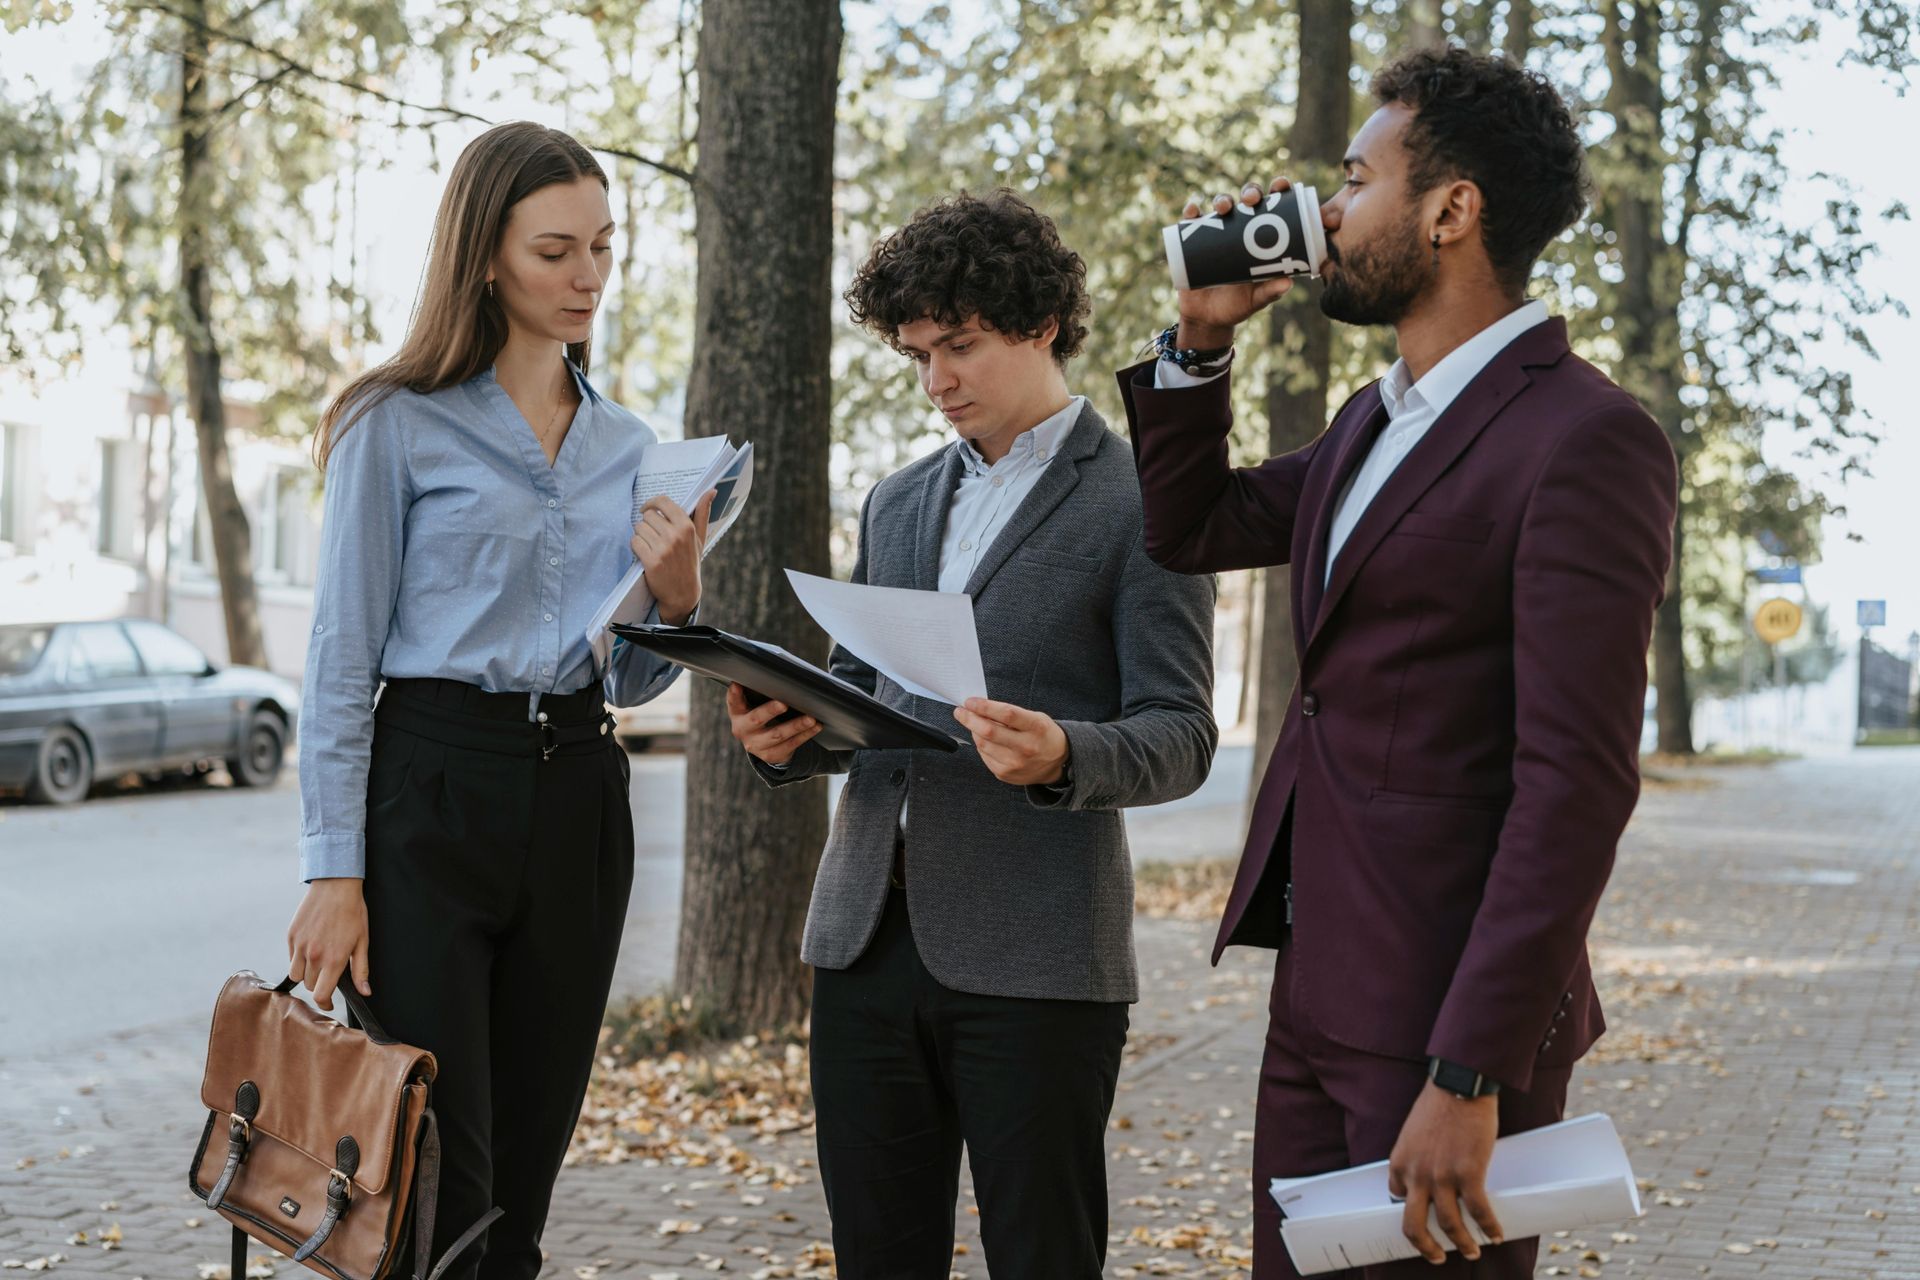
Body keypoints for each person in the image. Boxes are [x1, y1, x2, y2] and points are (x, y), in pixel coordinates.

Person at [1119, 46, 1678, 1279]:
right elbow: (1192, 524)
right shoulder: (1377, 419)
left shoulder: (1586, 440)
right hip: (1318, 984)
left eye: (1355, 178)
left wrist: (1471, 1066)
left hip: (1444, 1022)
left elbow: (1576, 782)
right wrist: (1200, 338)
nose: (1324, 212)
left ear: (1450, 209)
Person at [727, 189, 1217, 1279]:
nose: (935, 380)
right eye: (916, 354)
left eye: (959, 346)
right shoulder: (897, 501)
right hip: (862, 944)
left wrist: (1065, 754)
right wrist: (792, 739)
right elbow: (866, 693)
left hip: (1038, 954)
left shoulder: (1145, 500)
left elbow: (1181, 731)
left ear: (1040, 324)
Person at [283, 121, 710, 1280]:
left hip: (579, 792)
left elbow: (625, 673)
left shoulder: (632, 445)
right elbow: (338, 659)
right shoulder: (394, 418)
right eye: (554, 251)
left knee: (522, 1180)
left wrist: (674, 603)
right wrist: (335, 868)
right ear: (486, 256)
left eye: (603, 250)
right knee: (433, 1176)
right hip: (430, 791)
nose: (586, 279)